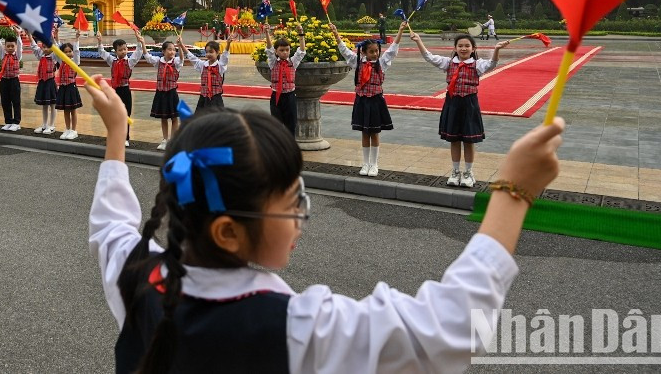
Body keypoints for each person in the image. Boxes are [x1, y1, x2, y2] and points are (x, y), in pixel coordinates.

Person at [85, 76, 564, 374]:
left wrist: (115, 132)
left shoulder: (136, 275)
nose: (301, 218)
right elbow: (449, 330)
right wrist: (513, 192)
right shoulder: (296, 328)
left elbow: (112, 226)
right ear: (228, 232)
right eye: (293, 202)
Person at [410, 26, 511, 187]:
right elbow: (429, 57)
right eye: (460, 46)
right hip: (453, 104)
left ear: (473, 49)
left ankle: (468, 173)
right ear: (455, 48)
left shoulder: (477, 65)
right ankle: (455, 171)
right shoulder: (448, 63)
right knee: (454, 139)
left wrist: (497, 49)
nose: (463, 48)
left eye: (467, 46)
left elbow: (492, 64)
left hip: (469, 104)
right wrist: (419, 41)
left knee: (469, 141)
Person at [331, 22, 406, 176]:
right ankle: (365, 164)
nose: (375, 54)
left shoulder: (382, 63)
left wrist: (400, 30)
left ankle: (374, 164)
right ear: (364, 52)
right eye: (371, 52)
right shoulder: (357, 62)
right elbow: (344, 50)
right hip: (362, 101)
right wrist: (336, 33)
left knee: (375, 132)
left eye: (377, 51)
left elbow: (393, 50)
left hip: (376, 101)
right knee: (365, 133)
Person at [96, 29, 144, 147]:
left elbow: (138, 53)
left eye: (125, 49)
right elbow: (102, 53)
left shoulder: (130, 61)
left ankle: (125, 137)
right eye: (120, 50)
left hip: (125, 90)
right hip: (115, 91)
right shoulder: (112, 61)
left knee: (125, 114)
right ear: (115, 51)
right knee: (114, 114)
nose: (123, 51)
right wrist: (99, 41)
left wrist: (139, 41)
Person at [135, 34, 182, 150]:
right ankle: (165, 139)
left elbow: (181, 58)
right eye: (169, 49)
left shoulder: (176, 62)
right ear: (163, 51)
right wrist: (143, 43)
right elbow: (147, 56)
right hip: (161, 93)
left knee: (174, 118)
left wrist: (180, 46)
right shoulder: (158, 62)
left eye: (173, 50)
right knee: (163, 117)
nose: (172, 52)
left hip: (172, 93)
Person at [264, 24, 306, 136]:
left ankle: (290, 147)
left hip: (290, 96)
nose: (285, 52)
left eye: (287, 50)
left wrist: (301, 33)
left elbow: (301, 51)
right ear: (276, 52)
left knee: (291, 124)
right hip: (276, 96)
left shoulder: (293, 62)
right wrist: (267, 33)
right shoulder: (273, 62)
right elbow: (269, 49)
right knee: (276, 124)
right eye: (281, 50)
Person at [178, 35, 231, 112]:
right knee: (202, 121)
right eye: (207, 52)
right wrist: (181, 45)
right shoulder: (203, 65)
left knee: (215, 121)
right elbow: (191, 57)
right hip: (203, 98)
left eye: (211, 52)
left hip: (215, 99)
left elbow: (225, 56)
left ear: (217, 52)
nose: (208, 54)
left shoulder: (220, 66)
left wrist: (228, 43)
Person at [29, 29, 58, 135]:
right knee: (44, 105)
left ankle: (52, 125)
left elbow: (56, 47)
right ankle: (44, 124)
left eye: (47, 47)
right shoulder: (41, 56)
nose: (45, 49)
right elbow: (34, 46)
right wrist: (29, 34)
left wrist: (54, 36)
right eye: (44, 47)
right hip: (42, 82)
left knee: (52, 104)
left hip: (50, 82)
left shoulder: (54, 57)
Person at [54, 33, 83, 140]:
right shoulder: (61, 62)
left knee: (73, 109)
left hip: (71, 87)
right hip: (63, 87)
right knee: (66, 109)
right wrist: (56, 36)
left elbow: (77, 51)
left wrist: (76, 39)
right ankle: (67, 129)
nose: (68, 53)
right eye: (65, 52)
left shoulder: (75, 62)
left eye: (69, 51)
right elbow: (56, 49)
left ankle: (74, 130)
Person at [0, 28, 24, 132]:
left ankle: (16, 122)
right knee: (5, 101)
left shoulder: (17, 55)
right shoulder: (3, 55)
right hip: (4, 80)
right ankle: (8, 121)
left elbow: (20, 46)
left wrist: (18, 36)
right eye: (8, 46)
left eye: (12, 46)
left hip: (14, 81)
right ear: (5, 47)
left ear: (15, 47)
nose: (10, 48)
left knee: (16, 102)